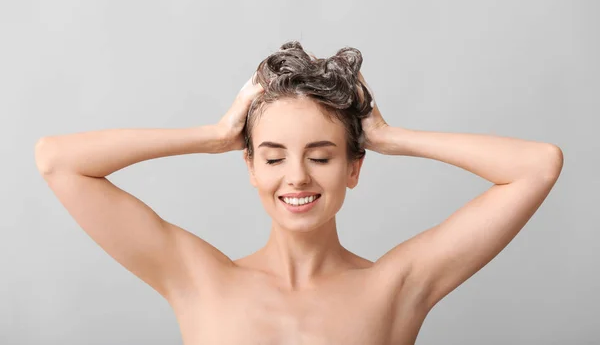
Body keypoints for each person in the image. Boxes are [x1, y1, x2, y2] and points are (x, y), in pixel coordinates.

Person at [34, 41, 564, 345]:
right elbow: (58, 161)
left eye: (321, 156)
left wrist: (387, 137)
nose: (297, 178)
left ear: (353, 168)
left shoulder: (395, 286)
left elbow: (537, 167)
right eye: (272, 156)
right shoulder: (199, 278)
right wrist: (216, 134)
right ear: (250, 166)